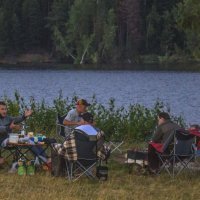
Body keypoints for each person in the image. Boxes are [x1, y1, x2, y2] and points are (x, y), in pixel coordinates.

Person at [0, 101, 49, 167]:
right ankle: (45, 161)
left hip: (11, 138)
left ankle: (44, 158)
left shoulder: (7, 118)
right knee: (25, 139)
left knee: (32, 140)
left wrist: (24, 116)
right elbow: (1, 129)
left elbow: (16, 119)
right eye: (2, 109)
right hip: (3, 141)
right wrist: (9, 127)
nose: (4, 111)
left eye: (5, 109)